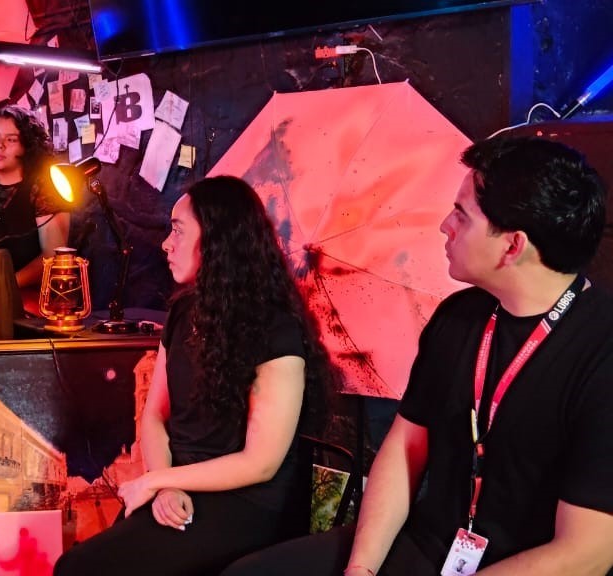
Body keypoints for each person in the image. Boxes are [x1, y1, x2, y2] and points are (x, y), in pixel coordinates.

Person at [220, 137, 613, 576]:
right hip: (429, 545)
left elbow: (588, 551)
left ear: (512, 246)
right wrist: (361, 568)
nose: (445, 225)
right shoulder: (459, 316)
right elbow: (404, 447)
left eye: (461, 214)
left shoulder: (600, 351)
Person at [52, 176, 332, 576]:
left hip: (244, 501)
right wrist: (165, 483)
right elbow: (154, 416)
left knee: (81, 568)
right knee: (82, 564)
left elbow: (261, 463)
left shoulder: (276, 331)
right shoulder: (183, 313)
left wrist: (158, 482)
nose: (166, 244)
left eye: (178, 230)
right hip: (178, 483)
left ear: (217, 241)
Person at [0, 105, 70, 297]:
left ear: (27, 145)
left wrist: (6, 284)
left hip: (31, 297)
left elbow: (53, 258)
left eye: (11, 139)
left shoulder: (44, 189)